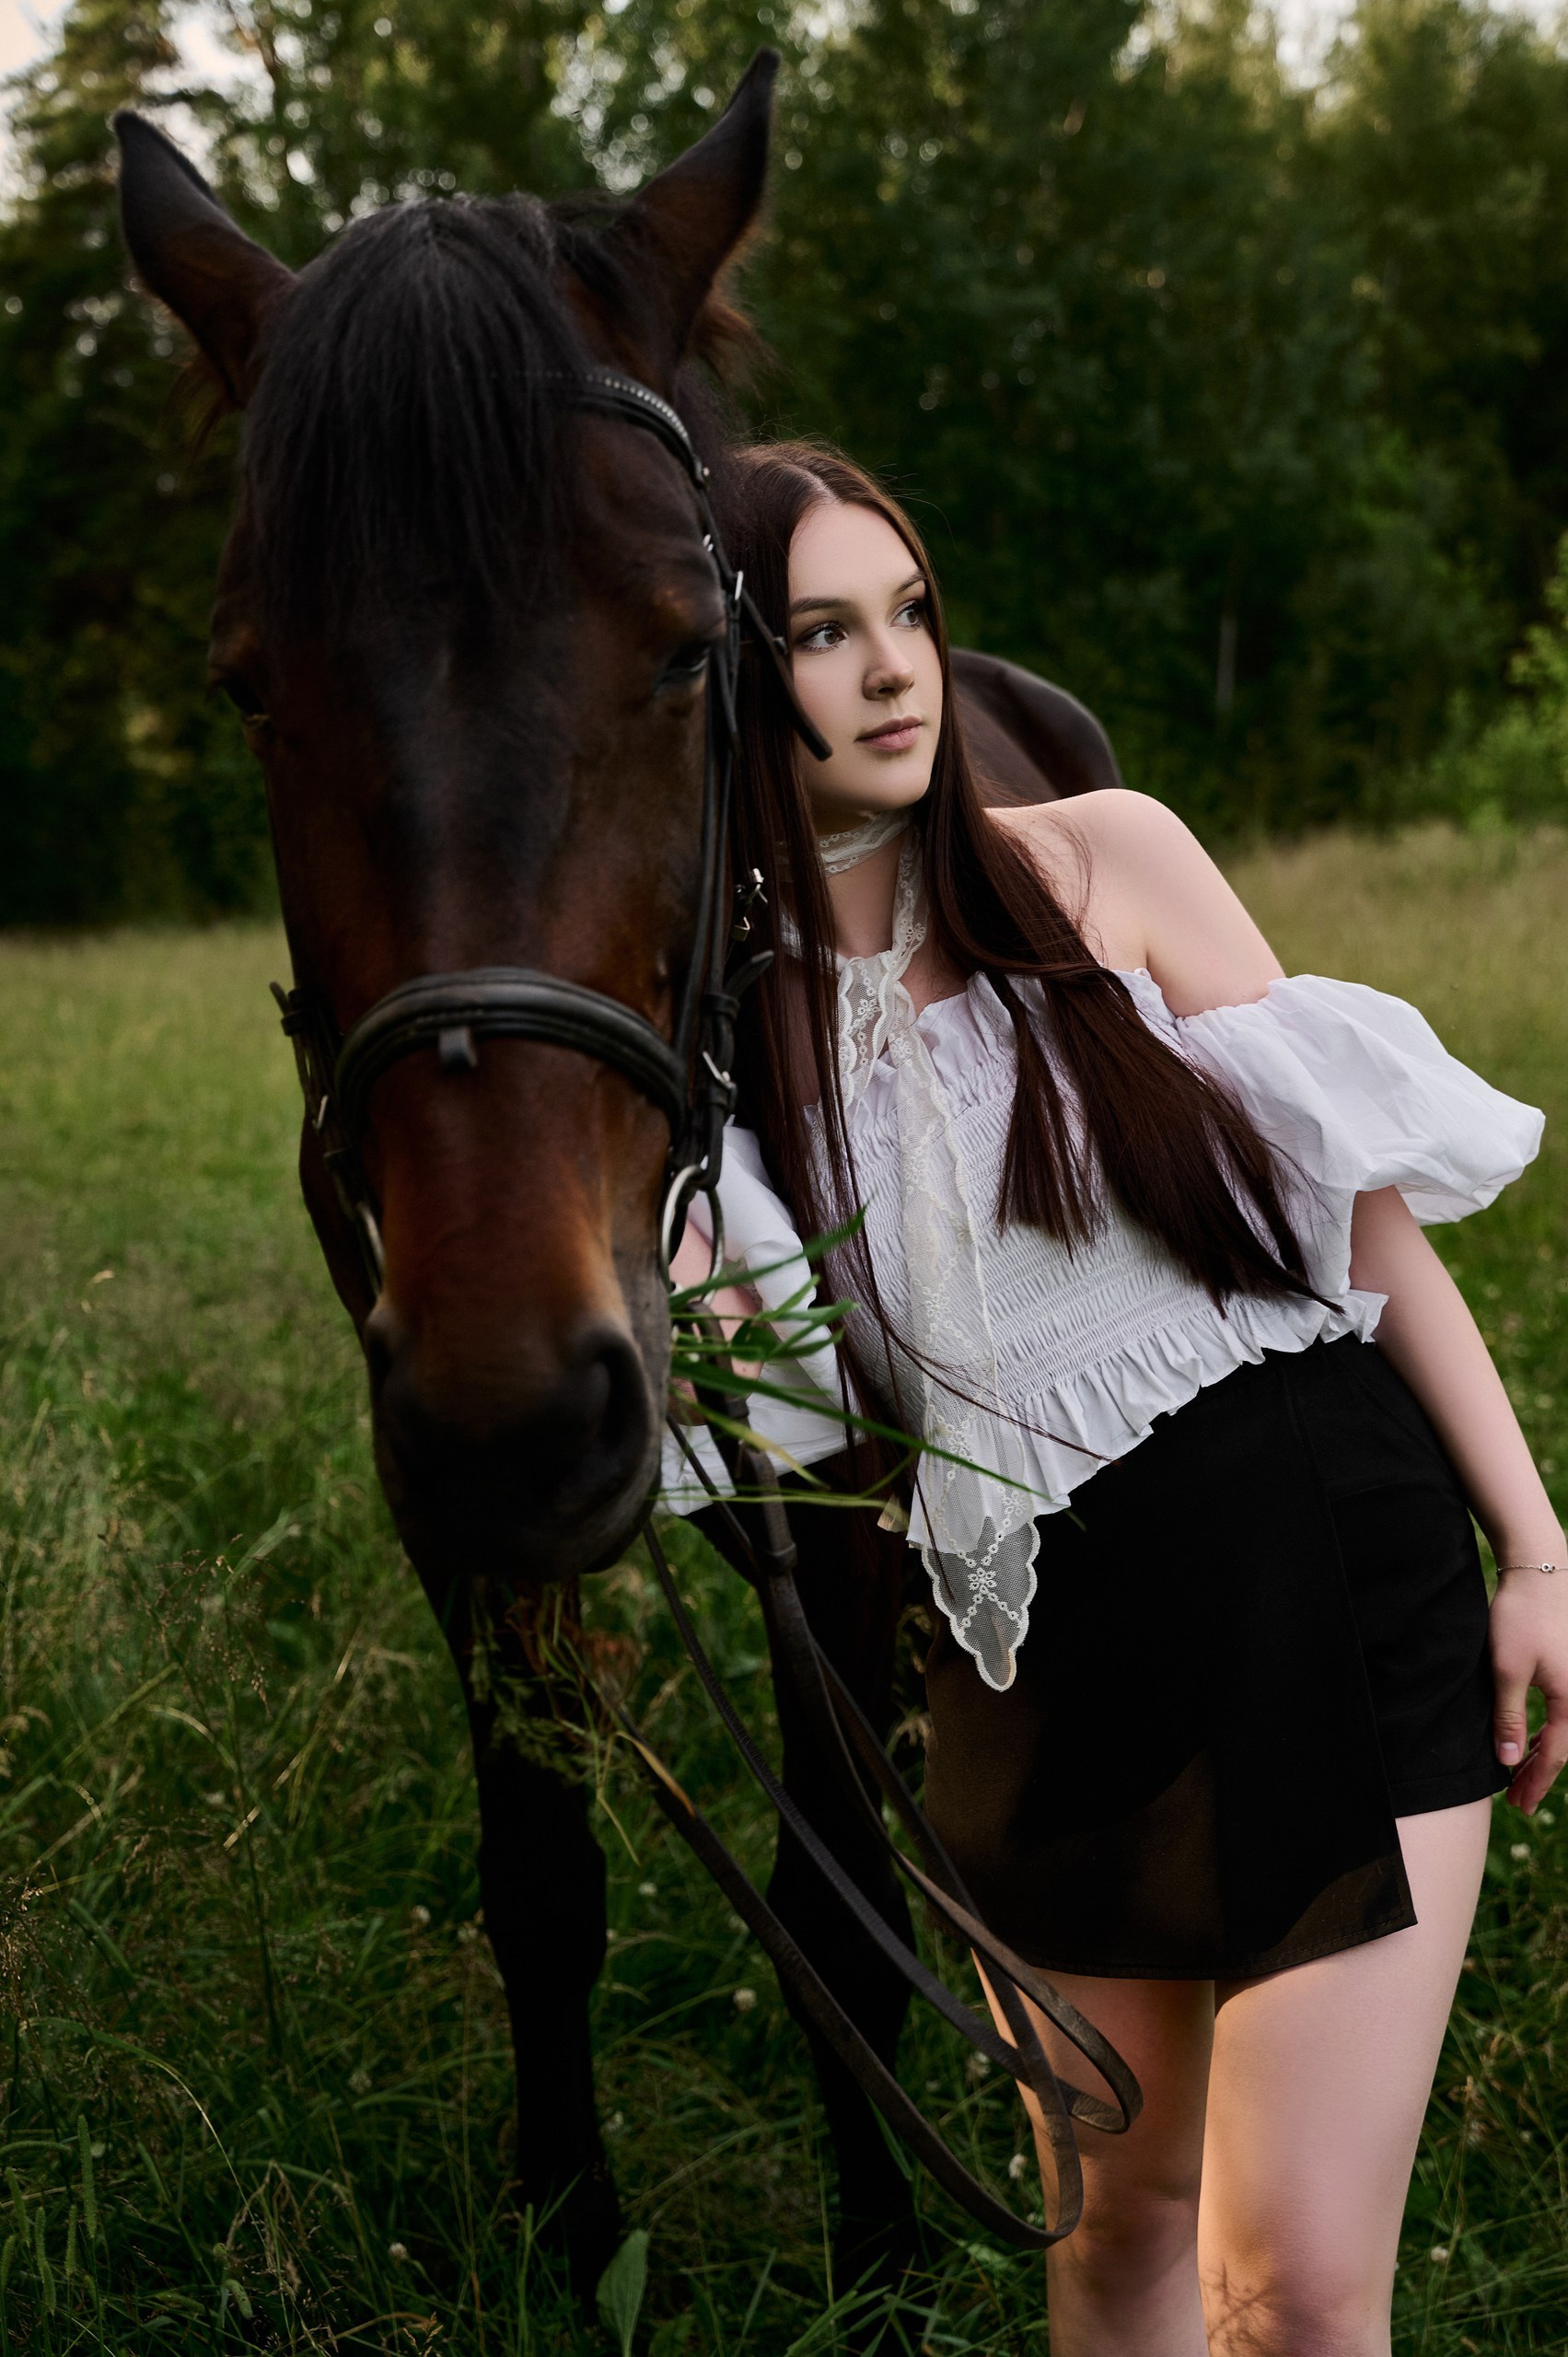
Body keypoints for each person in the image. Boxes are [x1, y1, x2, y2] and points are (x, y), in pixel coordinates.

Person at [665, 440, 1565, 2357]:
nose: (892, 669)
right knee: (1116, 2238)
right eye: (820, 634)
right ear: (732, 671)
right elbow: (777, 1417)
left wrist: (1540, 1544)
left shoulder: (1103, 860)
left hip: (1319, 1584)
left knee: (1290, 2288)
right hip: (1032, 1677)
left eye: (910, 613)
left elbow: (1360, 1219)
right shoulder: (724, 1039)